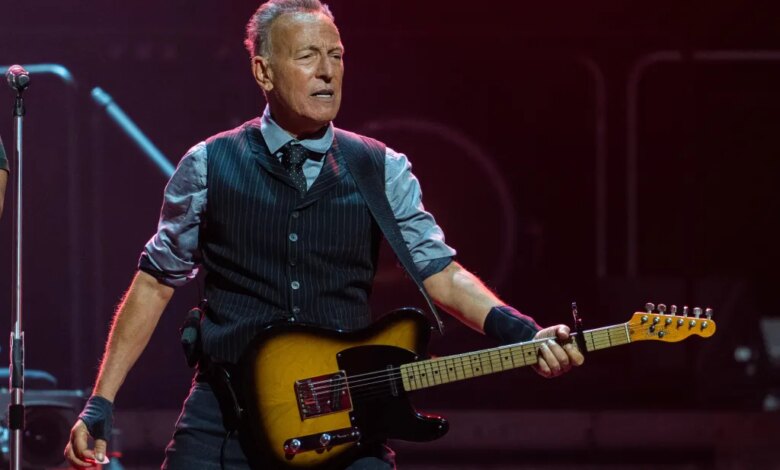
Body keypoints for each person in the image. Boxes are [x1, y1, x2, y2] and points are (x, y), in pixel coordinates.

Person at [64, 1, 584, 468]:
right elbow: (155, 282)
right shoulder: (207, 165)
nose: (328, 72)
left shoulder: (379, 167)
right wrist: (101, 402)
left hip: (345, 417)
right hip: (227, 415)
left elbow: (441, 275)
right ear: (262, 71)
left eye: (336, 56)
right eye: (308, 56)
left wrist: (525, 333)